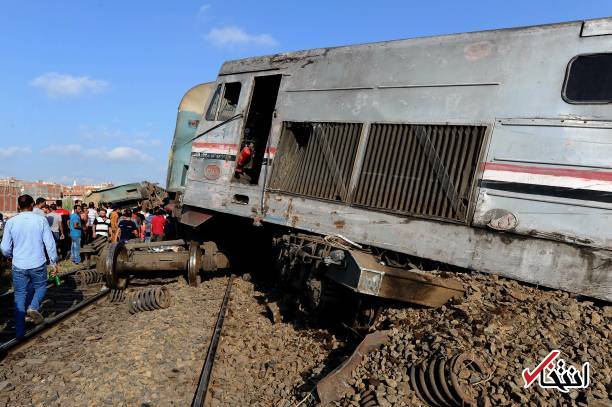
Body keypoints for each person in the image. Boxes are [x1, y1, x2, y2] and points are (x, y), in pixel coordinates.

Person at [0, 194, 57, 338]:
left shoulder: (11, 222)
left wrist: (10, 256)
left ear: (18, 206)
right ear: (32, 205)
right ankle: (33, 307)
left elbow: (5, 247)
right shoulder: (41, 220)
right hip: (38, 262)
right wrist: (54, 262)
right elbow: (49, 243)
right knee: (41, 286)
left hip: (19, 264)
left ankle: (19, 333)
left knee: (19, 295)